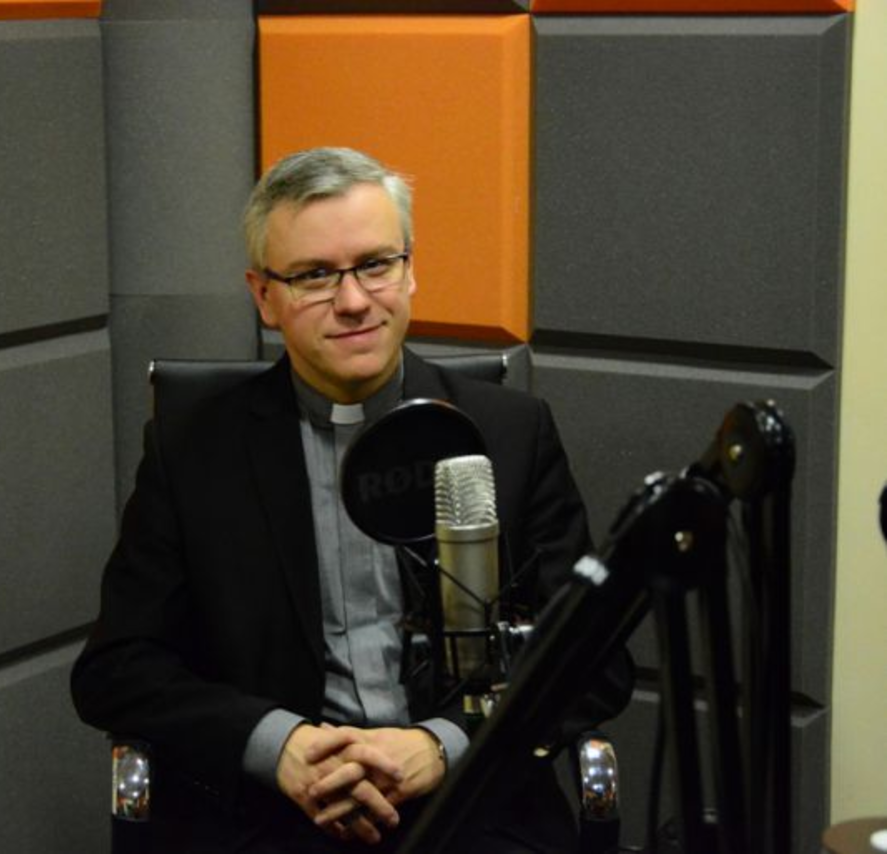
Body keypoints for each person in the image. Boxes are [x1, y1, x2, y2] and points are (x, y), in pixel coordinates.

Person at [72, 147, 632, 852]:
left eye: (375, 264)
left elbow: (592, 659)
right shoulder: (192, 450)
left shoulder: (510, 433)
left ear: (410, 269)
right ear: (264, 297)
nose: (354, 301)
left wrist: (444, 742)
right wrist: (277, 744)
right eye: (313, 275)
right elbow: (117, 669)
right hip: (269, 816)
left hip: (473, 802)